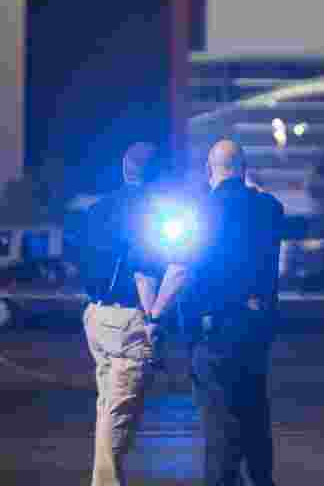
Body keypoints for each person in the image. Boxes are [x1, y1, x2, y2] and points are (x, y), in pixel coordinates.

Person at [162, 140, 284, 486]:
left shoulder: (198, 212)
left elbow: (179, 270)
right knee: (255, 414)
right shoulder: (270, 208)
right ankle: (262, 481)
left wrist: (156, 315)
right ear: (244, 170)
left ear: (208, 170)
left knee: (219, 424)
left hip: (212, 331)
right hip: (256, 328)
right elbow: (265, 205)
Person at [81, 142, 181, 486]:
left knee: (108, 407)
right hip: (129, 319)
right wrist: (154, 319)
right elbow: (145, 271)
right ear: (157, 173)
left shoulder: (97, 209)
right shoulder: (152, 212)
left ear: (125, 169)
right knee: (119, 414)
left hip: (96, 315)